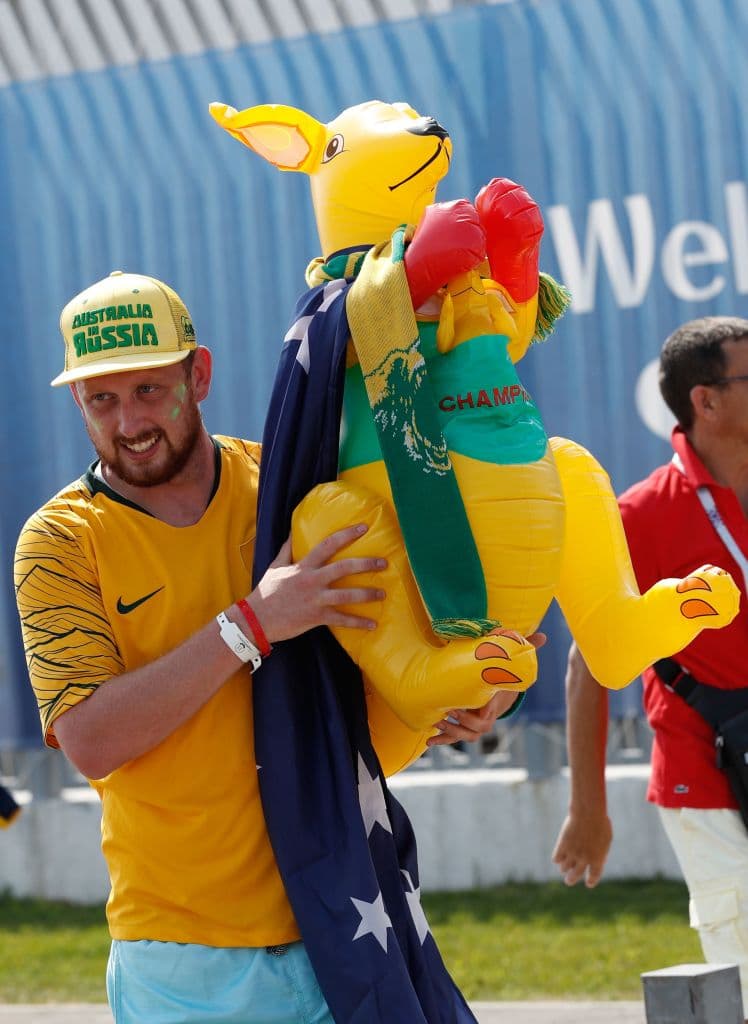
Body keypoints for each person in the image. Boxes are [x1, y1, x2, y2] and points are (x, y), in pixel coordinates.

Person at [14, 270, 527, 1024]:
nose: (129, 422)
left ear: (200, 374)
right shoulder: (58, 540)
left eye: (150, 390)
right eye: (102, 400)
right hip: (183, 957)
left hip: (349, 921)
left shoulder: (294, 487)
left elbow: (410, 636)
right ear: (77, 404)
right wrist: (251, 625)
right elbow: (90, 739)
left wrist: (475, 696)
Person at [552, 315, 748, 1019]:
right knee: (744, 968)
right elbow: (588, 660)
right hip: (708, 778)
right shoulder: (636, 515)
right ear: (707, 400)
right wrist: (588, 807)